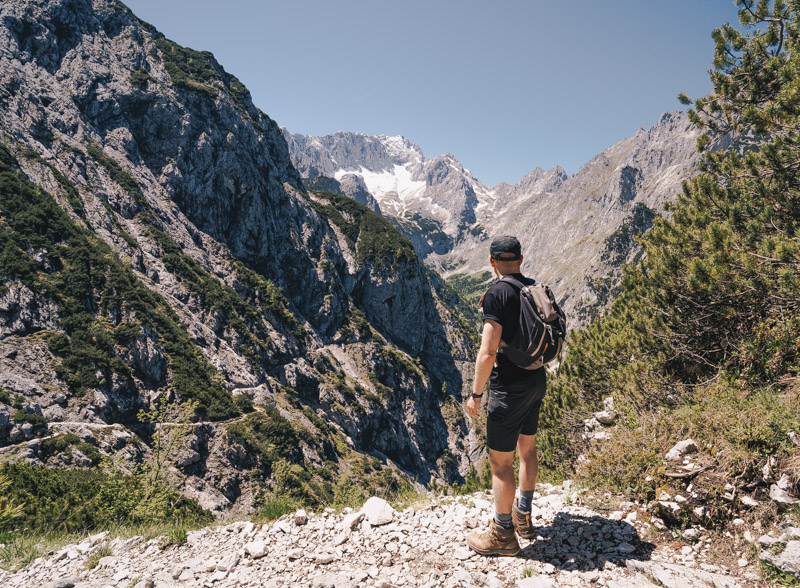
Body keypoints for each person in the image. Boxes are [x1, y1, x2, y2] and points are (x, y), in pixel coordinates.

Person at [465, 235, 547, 556]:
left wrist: (476, 394)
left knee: (500, 463)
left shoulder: (497, 293)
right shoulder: (533, 287)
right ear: (521, 260)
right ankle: (523, 517)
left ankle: (502, 534)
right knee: (527, 449)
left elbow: (487, 352)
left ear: (492, 262)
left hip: (508, 387)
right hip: (535, 380)